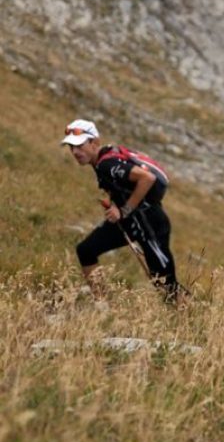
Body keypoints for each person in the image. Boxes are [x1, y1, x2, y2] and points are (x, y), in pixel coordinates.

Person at [61, 119, 186, 306]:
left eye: (79, 146)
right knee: (86, 250)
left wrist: (124, 210)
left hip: (149, 224)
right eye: (71, 147)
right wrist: (114, 203)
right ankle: (102, 304)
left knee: (165, 284)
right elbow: (120, 184)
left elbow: (147, 178)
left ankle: (192, 318)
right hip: (131, 222)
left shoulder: (106, 164)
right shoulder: (103, 160)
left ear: (95, 143)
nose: (75, 152)